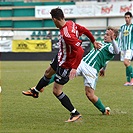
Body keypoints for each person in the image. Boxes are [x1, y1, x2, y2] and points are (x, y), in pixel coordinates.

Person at [22, 7, 101, 122]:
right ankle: (35, 91)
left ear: (55, 19)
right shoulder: (70, 23)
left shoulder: (67, 34)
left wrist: (74, 68)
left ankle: (75, 113)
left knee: (56, 91)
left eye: (52, 20)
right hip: (60, 57)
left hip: (66, 64)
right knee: (48, 72)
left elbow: (80, 51)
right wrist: (93, 40)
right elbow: (84, 30)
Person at [118, 11, 133, 86]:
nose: (127, 19)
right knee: (127, 64)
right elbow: (120, 38)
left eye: (128, 17)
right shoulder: (122, 27)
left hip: (130, 48)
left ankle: (132, 78)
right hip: (123, 48)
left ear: (131, 18)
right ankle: (128, 81)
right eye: (126, 18)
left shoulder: (132, 27)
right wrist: (118, 47)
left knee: (126, 62)